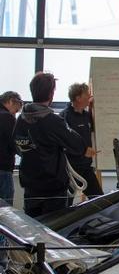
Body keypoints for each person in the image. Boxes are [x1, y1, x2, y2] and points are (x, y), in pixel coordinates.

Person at [14, 73, 85, 217]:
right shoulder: (52, 121)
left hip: (30, 184)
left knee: (33, 229)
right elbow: (78, 146)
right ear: (51, 94)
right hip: (52, 187)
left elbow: (17, 145)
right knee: (53, 231)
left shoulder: (21, 119)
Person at [60, 83, 103, 203]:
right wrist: (83, 151)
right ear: (78, 98)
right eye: (87, 95)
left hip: (86, 167)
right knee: (65, 203)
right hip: (71, 169)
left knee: (100, 200)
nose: (90, 97)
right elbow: (63, 143)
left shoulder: (87, 115)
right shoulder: (64, 116)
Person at [0, 91, 23, 206]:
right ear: (10, 101)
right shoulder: (7, 117)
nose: (14, 115)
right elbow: (16, 143)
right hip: (3, 169)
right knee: (6, 211)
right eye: (15, 111)